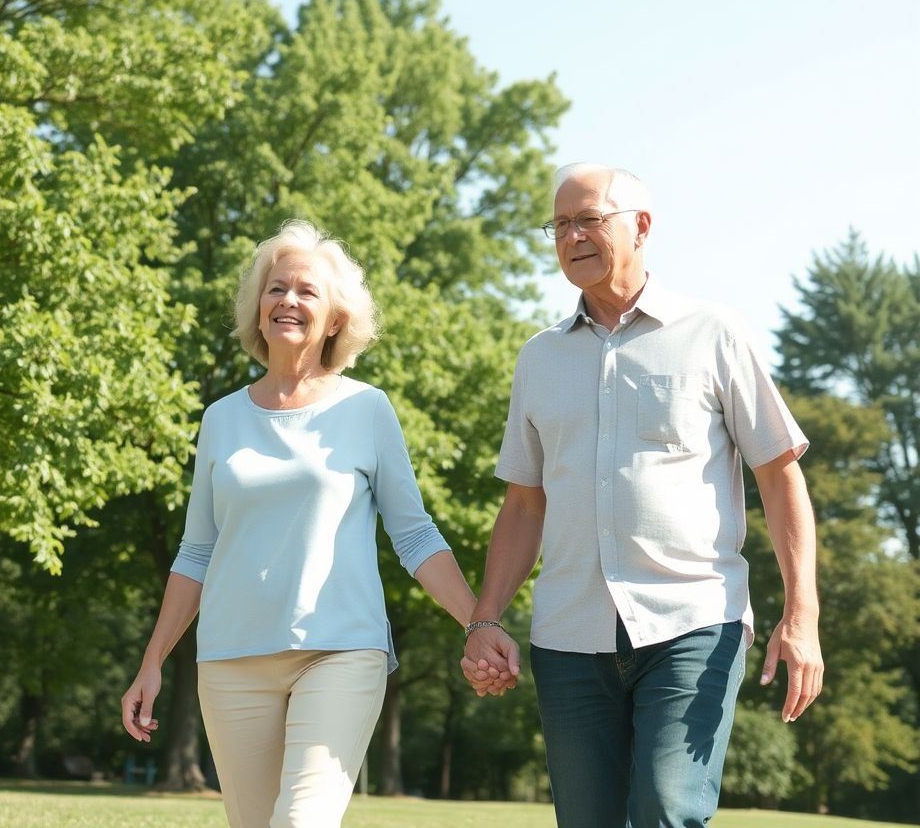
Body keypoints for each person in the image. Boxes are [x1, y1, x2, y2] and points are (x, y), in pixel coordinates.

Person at [462, 164, 823, 828]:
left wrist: (801, 616)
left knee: (666, 808)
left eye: (589, 219)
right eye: (560, 224)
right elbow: (523, 504)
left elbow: (779, 475)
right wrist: (486, 619)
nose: (572, 236)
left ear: (641, 226)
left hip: (692, 620)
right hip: (569, 636)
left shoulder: (715, 333)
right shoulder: (538, 358)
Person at [121, 220, 476, 828]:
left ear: (335, 318)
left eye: (307, 291)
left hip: (338, 652)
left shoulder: (367, 408)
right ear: (258, 311)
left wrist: (480, 622)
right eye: (275, 288)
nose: (287, 300)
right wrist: (153, 660)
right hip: (231, 660)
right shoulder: (220, 420)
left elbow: (415, 534)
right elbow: (196, 552)